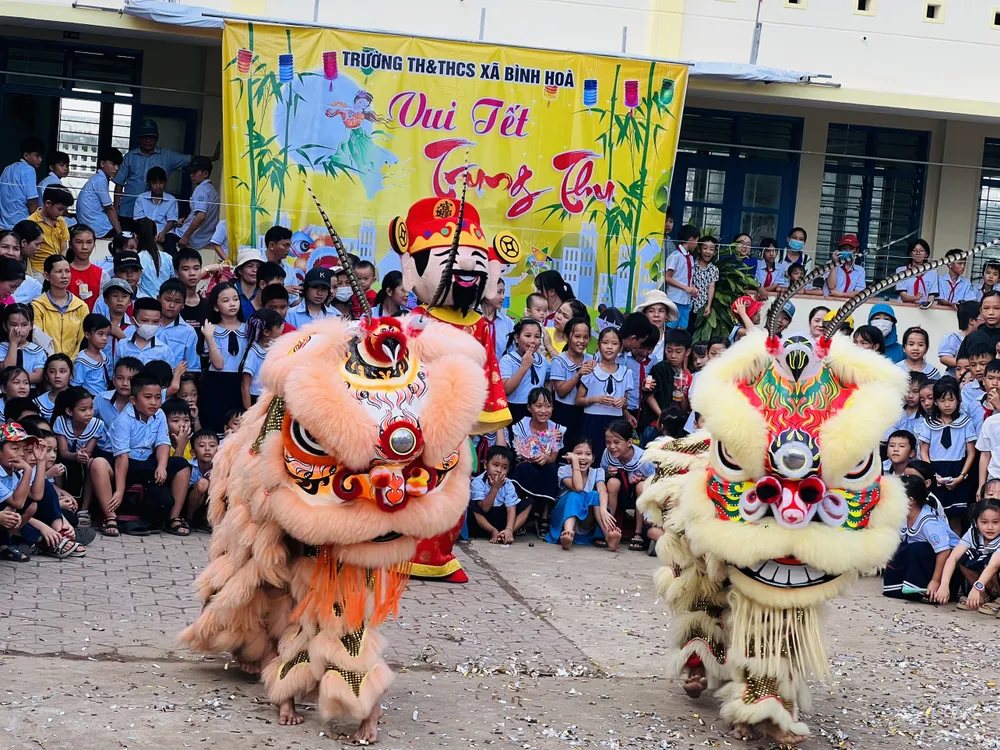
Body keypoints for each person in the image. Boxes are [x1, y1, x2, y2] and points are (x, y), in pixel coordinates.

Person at [89, 371, 192, 537]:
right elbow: (121, 457)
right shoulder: (123, 420)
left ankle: (173, 518)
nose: (154, 402)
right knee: (97, 464)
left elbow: (162, 443)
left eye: (158, 397)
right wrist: (120, 491)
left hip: (147, 461)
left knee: (182, 466)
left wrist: (162, 466)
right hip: (124, 462)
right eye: (148, 397)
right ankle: (110, 518)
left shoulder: (159, 415)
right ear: (134, 400)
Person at [113, 119, 200, 228]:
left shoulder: (167, 156)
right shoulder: (130, 157)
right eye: (145, 137)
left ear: (157, 138)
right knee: (128, 243)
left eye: (152, 137)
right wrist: (116, 209)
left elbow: (191, 160)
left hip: (154, 215)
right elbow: (119, 184)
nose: (149, 140)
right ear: (139, 137)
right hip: (128, 210)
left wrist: (212, 158)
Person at [917, 377, 977, 535]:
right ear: (936, 402)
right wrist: (932, 474)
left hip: (958, 469)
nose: (948, 405)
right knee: (934, 516)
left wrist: (962, 476)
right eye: (943, 400)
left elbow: (971, 452)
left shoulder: (965, 422)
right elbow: (924, 451)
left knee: (955, 518)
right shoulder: (929, 423)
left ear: (958, 400)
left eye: (951, 400)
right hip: (935, 470)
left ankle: (955, 557)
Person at [883, 474, 957, 601]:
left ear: (910, 501)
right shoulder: (903, 517)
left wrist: (935, 581)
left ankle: (926, 589)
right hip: (926, 561)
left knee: (918, 548)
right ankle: (901, 586)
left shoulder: (929, 522)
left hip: (949, 568)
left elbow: (944, 552)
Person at [931, 490, 1000, 611]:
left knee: (990, 564)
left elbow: (993, 566)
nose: (990, 527)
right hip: (986, 581)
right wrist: (944, 585)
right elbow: (953, 558)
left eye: (996, 522)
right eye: (984, 522)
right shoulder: (973, 533)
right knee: (963, 558)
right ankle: (985, 596)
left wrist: (977, 588)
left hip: (993, 573)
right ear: (976, 522)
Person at [509, 387, 564, 537]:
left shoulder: (557, 429)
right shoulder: (521, 426)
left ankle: (544, 516)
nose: (544, 410)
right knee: (522, 469)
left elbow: (553, 457)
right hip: (526, 462)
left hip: (546, 464)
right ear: (529, 408)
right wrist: (530, 456)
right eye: (538, 406)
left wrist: (546, 458)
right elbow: (519, 452)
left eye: (548, 406)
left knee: (552, 470)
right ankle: (521, 512)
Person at [546, 437, 615, 550]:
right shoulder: (563, 470)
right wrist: (574, 462)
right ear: (570, 456)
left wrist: (603, 510)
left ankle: (608, 537)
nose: (583, 457)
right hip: (563, 520)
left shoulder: (598, 472)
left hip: (584, 522)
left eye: (588, 454)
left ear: (593, 458)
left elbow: (602, 490)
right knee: (575, 495)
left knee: (595, 495)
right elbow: (578, 487)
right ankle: (568, 534)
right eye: (578, 453)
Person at [577, 326, 632, 461]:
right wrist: (596, 399)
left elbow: (625, 404)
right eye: (605, 343)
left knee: (613, 457)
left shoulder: (625, 372)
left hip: (616, 423)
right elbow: (578, 400)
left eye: (614, 344)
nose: (609, 347)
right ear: (598, 345)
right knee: (592, 456)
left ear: (620, 348)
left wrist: (623, 403)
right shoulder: (591, 369)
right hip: (592, 420)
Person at [200, 282, 247, 434]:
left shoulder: (248, 329)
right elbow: (218, 363)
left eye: (235, 299)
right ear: (215, 306)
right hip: (216, 383)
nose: (232, 304)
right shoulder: (211, 330)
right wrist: (209, 337)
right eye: (226, 301)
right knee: (216, 428)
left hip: (241, 382)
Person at [602, 419, 654, 552]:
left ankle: (638, 533)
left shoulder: (643, 459)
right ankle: (609, 528)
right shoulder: (608, 455)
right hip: (619, 493)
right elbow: (601, 476)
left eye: (617, 442)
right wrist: (608, 474)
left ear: (629, 442)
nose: (612, 446)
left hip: (638, 495)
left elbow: (655, 480)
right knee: (613, 483)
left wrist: (642, 478)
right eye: (608, 442)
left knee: (641, 486)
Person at [468, 446, 530, 542]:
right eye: (495, 465)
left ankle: (507, 533)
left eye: (504, 467)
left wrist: (509, 528)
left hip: (502, 518)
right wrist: (495, 488)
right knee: (469, 504)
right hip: (484, 521)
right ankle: (492, 531)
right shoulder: (477, 482)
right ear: (485, 465)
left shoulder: (509, 484)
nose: (499, 470)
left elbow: (511, 508)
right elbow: (484, 509)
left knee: (529, 503)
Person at [52, 386, 104, 499]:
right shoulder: (61, 421)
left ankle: (84, 507)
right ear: (69, 411)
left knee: (91, 464)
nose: (89, 413)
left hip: (84, 461)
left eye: (91, 408)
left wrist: (83, 455)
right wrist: (75, 455)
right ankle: (61, 498)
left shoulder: (97, 424)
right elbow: (63, 452)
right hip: (66, 458)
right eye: (83, 410)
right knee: (58, 465)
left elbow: (89, 452)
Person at [32, 255, 89, 357]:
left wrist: (70, 363)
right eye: (58, 272)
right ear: (46, 276)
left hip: (74, 364)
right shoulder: (37, 306)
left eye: (67, 271)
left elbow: (83, 340)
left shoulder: (81, 306)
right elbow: (38, 339)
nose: (64, 276)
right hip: (46, 363)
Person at [548, 316, 593, 442]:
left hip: (585, 411)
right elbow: (561, 392)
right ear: (567, 337)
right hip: (563, 411)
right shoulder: (559, 361)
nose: (582, 341)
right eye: (577, 336)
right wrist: (578, 374)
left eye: (586, 337)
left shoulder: (591, 359)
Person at [499, 318, 548, 425]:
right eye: (527, 336)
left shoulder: (542, 360)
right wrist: (524, 366)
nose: (532, 341)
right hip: (514, 409)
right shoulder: (508, 360)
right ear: (517, 338)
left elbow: (549, 379)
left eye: (537, 336)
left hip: (536, 411)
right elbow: (506, 389)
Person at [238, 308, 283, 409]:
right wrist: (249, 412)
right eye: (279, 326)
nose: (282, 329)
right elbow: (245, 385)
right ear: (266, 332)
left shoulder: (274, 349)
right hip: (257, 399)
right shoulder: (253, 354)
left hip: (271, 397)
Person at [173, 156, 220, 251]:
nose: (191, 175)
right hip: (204, 238)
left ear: (205, 173)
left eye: (195, 172)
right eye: (191, 172)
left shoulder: (201, 189)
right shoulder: (212, 190)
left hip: (190, 237)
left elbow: (201, 216)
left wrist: (185, 236)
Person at [76, 147, 123, 239]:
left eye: (118, 165)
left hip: (90, 223)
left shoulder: (98, 178)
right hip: (96, 226)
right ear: (102, 163)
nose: (117, 168)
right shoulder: (100, 180)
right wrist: (120, 233)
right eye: (113, 164)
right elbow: (109, 208)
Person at [115, 296, 174, 367]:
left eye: (155, 321)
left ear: (160, 322)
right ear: (133, 321)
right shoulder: (122, 346)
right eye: (145, 321)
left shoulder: (165, 351)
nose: (150, 325)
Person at [0, 136, 44, 230]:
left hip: (4, 224)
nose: (40, 159)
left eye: (41, 156)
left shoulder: (7, 169)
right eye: (37, 156)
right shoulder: (29, 170)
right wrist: (37, 225)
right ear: (26, 156)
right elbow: (32, 202)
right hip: (21, 225)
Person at [156, 278, 200, 374]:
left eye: (177, 302)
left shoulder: (189, 332)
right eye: (168, 300)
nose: (172, 305)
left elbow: (192, 369)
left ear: (183, 305)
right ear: (158, 299)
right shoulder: (147, 325)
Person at [28, 186, 72, 274]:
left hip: (57, 269)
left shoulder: (61, 221)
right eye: (59, 209)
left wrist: (61, 266)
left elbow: (63, 248)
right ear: (48, 203)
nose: (61, 213)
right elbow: (26, 254)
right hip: (38, 270)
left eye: (63, 210)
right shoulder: (31, 222)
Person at [663, 225, 699, 330]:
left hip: (686, 300)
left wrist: (692, 287)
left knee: (682, 330)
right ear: (691, 240)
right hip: (675, 298)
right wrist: (685, 288)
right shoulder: (675, 256)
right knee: (670, 328)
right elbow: (667, 277)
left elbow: (687, 277)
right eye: (697, 241)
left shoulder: (690, 258)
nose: (697, 245)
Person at [0, 303, 46, 385]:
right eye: (13, 325)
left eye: (24, 325)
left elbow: (38, 376)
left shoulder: (37, 351)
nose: (19, 329)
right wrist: (13, 343)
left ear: (31, 325)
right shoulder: (2, 348)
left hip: (30, 393)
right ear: (5, 326)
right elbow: (7, 371)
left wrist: (15, 379)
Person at [65, 224, 106, 311]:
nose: (84, 247)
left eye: (89, 242)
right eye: (79, 242)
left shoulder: (102, 275)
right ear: (70, 244)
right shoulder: (63, 273)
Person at [132, 166, 178, 240]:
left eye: (161, 182)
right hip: (145, 231)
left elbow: (171, 222)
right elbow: (138, 220)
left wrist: (163, 233)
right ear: (149, 183)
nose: (158, 186)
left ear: (166, 182)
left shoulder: (171, 200)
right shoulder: (141, 198)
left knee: (171, 247)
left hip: (165, 232)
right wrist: (149, 234)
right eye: (154, 183)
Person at [72, 314, 111, 398]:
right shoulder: (82, 361)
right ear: (87, 335)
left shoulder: (104, 355)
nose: (105, 338)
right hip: (90, 400)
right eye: (100, 334)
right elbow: (75, 386)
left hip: (105, 398)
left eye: (107, 334)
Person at [185, 428, 218, 529]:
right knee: (203, 484)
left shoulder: (221, 467)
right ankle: (188, 519)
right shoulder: (189, 466)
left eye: (212, 445)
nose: (207, 449)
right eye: (202, 446)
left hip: (208, 504)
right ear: (193, 452)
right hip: (188, 503)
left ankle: (208, 519)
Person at [135, 218, 174, 299]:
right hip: (164, 303)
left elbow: (136, 284)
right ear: (156, 236)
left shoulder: (137, 258)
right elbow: (173, 282)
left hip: (144, 303)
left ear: (136, 237)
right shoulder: (168, 257)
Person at [635, 289, 677, 362]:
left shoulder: (672, 338)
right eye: (651, 311)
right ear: (645, 314)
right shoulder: (637, 339)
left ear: (667, 315)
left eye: (661, 311)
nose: (656, 315)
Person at [887, 371, 928, 439]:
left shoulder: (925, 417)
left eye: (915, 391)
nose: (910, 396)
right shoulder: (896, 413)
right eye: (907, 391)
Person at [896, 239, 937, 305]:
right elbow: (903, 297)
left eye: (921, 251)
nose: (918, 253)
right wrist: (915, 298)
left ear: (926, 254)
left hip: (923, 311)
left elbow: (932, 296)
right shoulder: (901, 271)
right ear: (910, 253)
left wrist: (927, 304)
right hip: (904, 308)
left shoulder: (933, 273)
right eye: (915, 250)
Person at [825, 234, 866, 298]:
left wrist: (841, 295)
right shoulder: (830, 264)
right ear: (839, 250)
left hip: (847, 303)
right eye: (844, 249)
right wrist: (834, 263)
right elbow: (831, 286)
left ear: (857, 251)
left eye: (851, 249)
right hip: (829, 301)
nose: (847, 251)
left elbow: (860, 293)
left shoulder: (860, 270)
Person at [690, 234, 719, 323]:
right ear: (699, 249)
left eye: (711, 249)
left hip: (702, 306)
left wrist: (708, 306)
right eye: (705, 248)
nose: (708, 252)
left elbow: (711, 287)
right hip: (689, 304)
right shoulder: (692, 264)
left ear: (714, 252)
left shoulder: (714, 269)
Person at [229, 248, 264, 318]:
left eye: (258, 266)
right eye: (250, 266)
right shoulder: (229, 291)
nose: (255, 270)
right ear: (239, 270)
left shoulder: (264, 292)